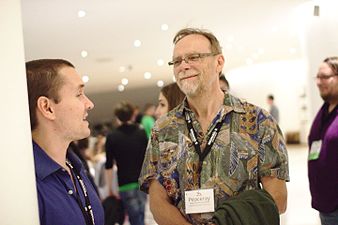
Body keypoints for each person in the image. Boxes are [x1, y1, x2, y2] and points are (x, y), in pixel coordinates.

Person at [139, 28, 289, 225]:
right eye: (177, 61)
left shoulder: (259, 121)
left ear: (219, 62)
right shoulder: (163, 129)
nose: (183, 66)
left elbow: (277, 199)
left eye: (193, 57)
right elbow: (157, 201)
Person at [26, 59, 104, 225]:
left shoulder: (76, 166)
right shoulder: (25, 184)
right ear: (47, 108)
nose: (90, 104)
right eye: (78, 94)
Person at [105, 101, 148, 225]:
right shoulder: (141, 132)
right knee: (141, 215)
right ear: (132, 114)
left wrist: (109, 188)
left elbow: (109, 165)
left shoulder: (112, 136)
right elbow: (147, 157)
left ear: (117, 116)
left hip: (124, 182)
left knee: (135, 218)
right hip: (141, 181)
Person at [308, 57, 338, 225]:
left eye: (325, 77)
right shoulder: (325, 111)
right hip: (325, 206)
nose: (319, 82)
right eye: (317, 77)